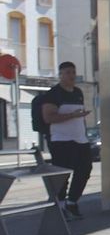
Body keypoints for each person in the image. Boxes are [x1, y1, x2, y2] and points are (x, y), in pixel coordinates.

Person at [39, 61, 93, 219]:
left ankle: (72, 202)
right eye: (68, 72)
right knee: (63, 174)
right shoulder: (53, 94)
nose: (71, 76)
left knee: (84, 170)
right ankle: (61, 205)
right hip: (61, 140)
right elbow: (48, 117)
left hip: (80, 139)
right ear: (60, 75)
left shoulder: (78, 92)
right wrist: (72, 115)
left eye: (73, 72)